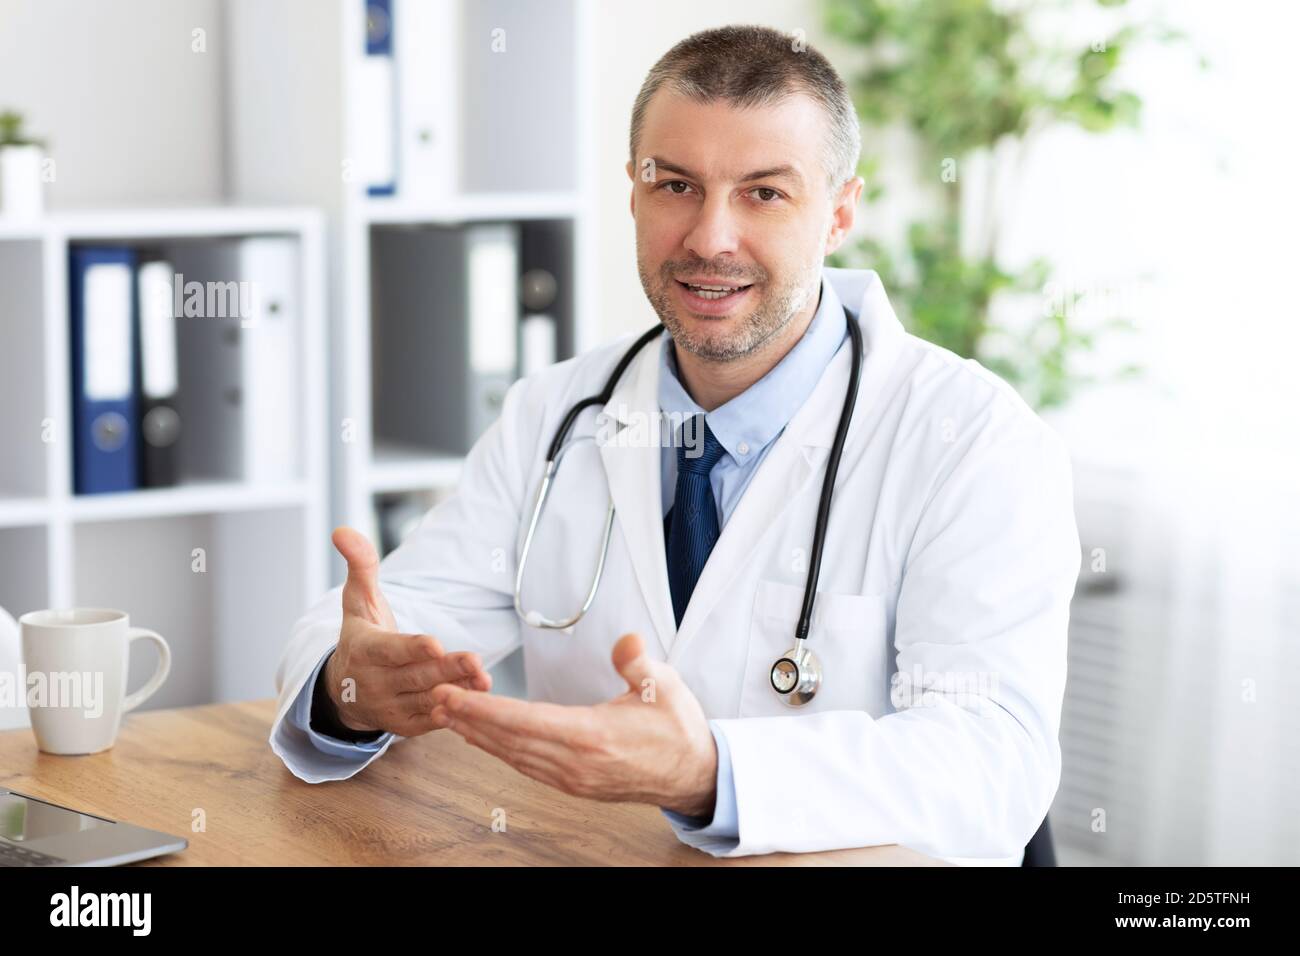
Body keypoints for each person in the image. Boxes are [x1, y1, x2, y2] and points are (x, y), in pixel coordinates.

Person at [270, 24, 1080, 864]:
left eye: (764, 193)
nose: (709, 238)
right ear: (632, 190)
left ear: (840, 212)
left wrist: (713, 775)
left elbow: (994, 759)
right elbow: (384, 626)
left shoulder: (973, 441)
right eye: (677, 185)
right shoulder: (556, 413)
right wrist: (352, 686)